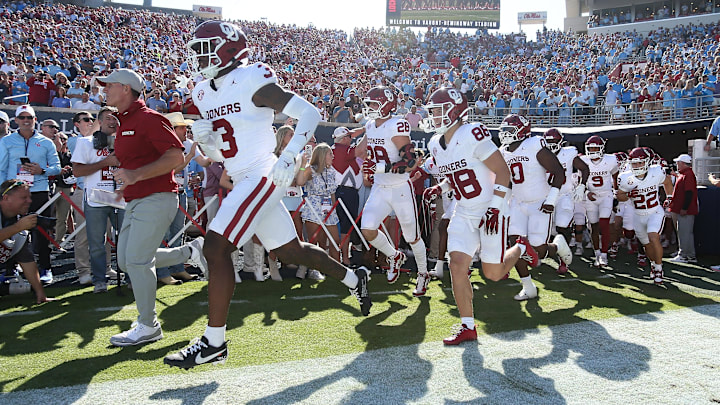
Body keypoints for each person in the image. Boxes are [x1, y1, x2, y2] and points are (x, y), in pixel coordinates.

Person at [164, 21, 371, 369]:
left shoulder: (249, 78)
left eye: (204, 48)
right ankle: (355, 278)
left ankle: (214, 342)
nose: (197, 56)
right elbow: (220, 155)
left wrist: (289, 157)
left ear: (227, 49)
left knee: (216, 247)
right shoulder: (203, 92)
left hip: (264, 172)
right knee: (289, 250)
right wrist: (207, 140)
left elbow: (309, 113)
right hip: (243, 173)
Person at [96, 69, 206, 346]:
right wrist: (127, 183)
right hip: (136, 200)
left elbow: (174, 156)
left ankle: (148, 325)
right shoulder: (125, 123)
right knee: (125, 262)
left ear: (125, 88)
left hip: (156, 197)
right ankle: (191, 251)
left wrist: (135, 175)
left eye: (109, 86)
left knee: (136, 261)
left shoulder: (149, 118)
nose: (104, 90)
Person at [423, 89, 539, 344]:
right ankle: (468, 326)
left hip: (490, 208)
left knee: (493, 274)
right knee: (457, 266)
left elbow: (503, 172)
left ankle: (520, 247)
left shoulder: (472, 133)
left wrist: (495, 207)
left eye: (436, 110)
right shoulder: (435, 143)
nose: (432, 115)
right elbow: (459, 176)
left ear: (453, 111)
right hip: (463, 210)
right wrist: (440, 187)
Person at [359, 86, 429, 296]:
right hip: (380, 186)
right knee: (368, 229)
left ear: (386, 105)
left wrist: (377, 167)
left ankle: (423, 274)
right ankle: (394, 256)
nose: (370, 108)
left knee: (412, 236)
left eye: (373, 104)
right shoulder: (371, 125)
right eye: (369, 104)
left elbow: (409, 163)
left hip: (399, 187)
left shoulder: (397, 124)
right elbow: (361, 151)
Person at [499, 114, 572, 301]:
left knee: (538, 250)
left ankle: (557, 247)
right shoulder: (503, 152)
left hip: (540, 203)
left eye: (509, 130)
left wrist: (551, 199)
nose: (504, 134)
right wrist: (503, 204)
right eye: (504, 129)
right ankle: (528, 287)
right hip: (517, 202)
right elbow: (507, 182)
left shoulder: (534, 145)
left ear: (521, 131)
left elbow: (558, 172)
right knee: (517, 246)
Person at [0, 105, 62, 283]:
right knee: (11, 232)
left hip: (39, 191)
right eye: (23, 117)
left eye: (30, 117)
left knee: (41, 232)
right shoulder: (6, 141)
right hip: (13, 195)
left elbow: (56, 168)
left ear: (35, 120)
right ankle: (11, 269)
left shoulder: (46, 142)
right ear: (16, 120)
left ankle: (45, 268)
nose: (26, 120)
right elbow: (2, 168)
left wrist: (41, 170)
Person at [71, 106, 123, 293]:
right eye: (108, 118)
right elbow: (77, 171)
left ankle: (132, 276)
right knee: (97, 243)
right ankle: (100, 280)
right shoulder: (85, 143)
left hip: (121, 197)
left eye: (116, 118)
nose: (112, 121)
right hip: (96, 199)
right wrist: (105, 163)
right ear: (99, 122)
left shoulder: (126, 142)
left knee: (127, 240)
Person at [617, 148, 674, 284]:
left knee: (653, 237)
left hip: (654, 211)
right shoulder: (626, 177)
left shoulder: (656, 172)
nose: (637, 166)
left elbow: (667, 182)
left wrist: (670, 197)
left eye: (640, 163)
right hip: (638, 214)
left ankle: (659, 268)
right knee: (646, 245)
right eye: (634, 163)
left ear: (647, 162)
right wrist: (629, 195)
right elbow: (620, 196)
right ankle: (653, 265)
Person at [542, 128, 589, 274]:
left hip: (563, 195)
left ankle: (564, 258)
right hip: (544, 195)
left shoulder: (568, 154)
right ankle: (540, 254)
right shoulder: (539, 154)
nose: (551, 144)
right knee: (542, 229)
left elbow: (584, 168)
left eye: (554, 141)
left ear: (561, 141)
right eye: (549, 141)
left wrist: (581, 185)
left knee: (563, 226)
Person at [0, 180, 53, 303]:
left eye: (29, 197)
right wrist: (17, 227)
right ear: (6, 198)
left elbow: (27, 261)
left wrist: (40, 294)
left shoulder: (20, 226)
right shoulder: (20, 226)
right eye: (24, 197)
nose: (29, 201)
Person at [296, 143, 340, 265]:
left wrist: (333, 208)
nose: (333, 156)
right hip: (314, 206)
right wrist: (304, 165)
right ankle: (311, 267)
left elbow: (332, 192)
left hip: (329, 208)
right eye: (330, 153)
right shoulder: (311, 169)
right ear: (321, 155)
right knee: (313, 240)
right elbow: (300, 182)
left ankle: (336, 266)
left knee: (335, 239)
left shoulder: (331, 171)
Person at [580, 135, 619, 267]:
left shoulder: (611, 159)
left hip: (605, 195)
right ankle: (596, 253)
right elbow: (579, 181)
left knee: (604, 224)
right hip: (591, 195)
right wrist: (586, 191)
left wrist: (616, 191)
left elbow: (615, 175)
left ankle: (604, 255)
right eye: (590, 148)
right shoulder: (583, 160)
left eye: (596, 148)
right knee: (593, 226)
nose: (593, 151)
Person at [330, 126, 366, 266]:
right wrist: (369, 129)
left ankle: (342, 257)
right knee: (345, 226)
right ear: (344, 139)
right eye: (350, 137)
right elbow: (361, 149)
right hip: (344, 192)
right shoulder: (340, 149)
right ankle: (343, 258)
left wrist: (363, 128)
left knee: (347, 226)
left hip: (348, 192)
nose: (352, 139)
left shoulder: (340, 148)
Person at [667, 154, 698, 264]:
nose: (677, 164)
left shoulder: (688, 175)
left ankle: (684, 255)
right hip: (681, 209)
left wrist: (684, 208)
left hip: (685, 210)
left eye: (678, 162)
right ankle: (687, 254)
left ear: (683, 163)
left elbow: (689, 193)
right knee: (684, 232)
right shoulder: (685, 174)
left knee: (684, 232)